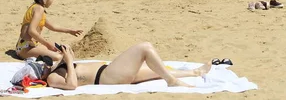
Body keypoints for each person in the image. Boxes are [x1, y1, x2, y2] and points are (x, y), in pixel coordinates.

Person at [26, 42, 211, 89]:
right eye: (42, 66)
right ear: (39, 75)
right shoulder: (52, 78)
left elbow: (69, 63)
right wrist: (67, 62)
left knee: (157, 72)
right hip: (108, 77)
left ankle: (196, 72)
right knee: (144, 48)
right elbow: (72, 85)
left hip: (109, 71)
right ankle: (172, 82)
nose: (45, 64)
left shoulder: (55, 69)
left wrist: (66, 55)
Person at [15, 0, 83, 62]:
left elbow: (53, 27)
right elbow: (31, 31)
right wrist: (47, 44)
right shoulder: (39, 9)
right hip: (25, 48)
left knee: (63, 50)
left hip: (30, 46)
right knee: (59, 57)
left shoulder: (36, 7)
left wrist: (70, 31)